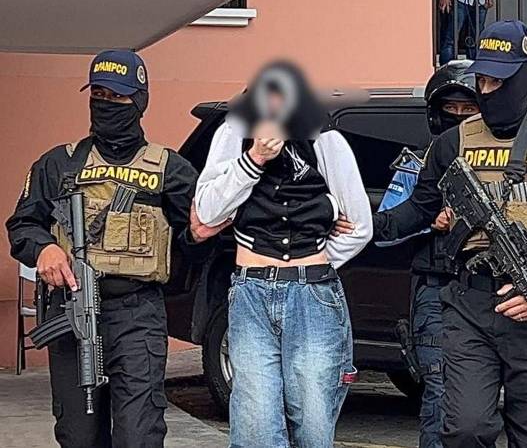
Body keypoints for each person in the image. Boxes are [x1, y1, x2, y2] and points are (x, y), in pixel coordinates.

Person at [373, 21, 527, 447]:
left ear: (523, 79)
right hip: (468, 306)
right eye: (482, 80)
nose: (487, 89)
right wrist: (363, 223)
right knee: (465, 428)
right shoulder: (452, 143)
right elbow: (417, 208)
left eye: (498, 81)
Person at [6, 50, 220, 448]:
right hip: (70, 309)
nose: (105, 104)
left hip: (137, 313)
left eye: (117, 96)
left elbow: (194, 249)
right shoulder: (59, 164)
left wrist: (199, 237)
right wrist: (44, 249)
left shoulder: (170, 170)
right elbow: (22, 224)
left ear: (139, 101)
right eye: (98, 94)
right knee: (78, 436)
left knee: (139, 434)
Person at [194, 61, 373, 448]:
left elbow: (360, 225)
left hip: (313, 292)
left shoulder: (325, 138)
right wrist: (253, 160)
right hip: (251, 289)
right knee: (255, 423)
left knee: (313, 421)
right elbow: (207, 212)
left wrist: (317, 257)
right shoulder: (233, 134)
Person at [374, 60, 479, 448]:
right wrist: (428, 220)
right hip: (437, 290)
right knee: (440, 391)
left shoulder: (498, 161)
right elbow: (385, 228)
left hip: (488, 290)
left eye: (468, 109)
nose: (459, 116)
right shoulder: (416, 164)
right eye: (451, 109)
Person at [439, 0, 495, 65]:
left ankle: (474, 68)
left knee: (475, 41)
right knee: (450, 39)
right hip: (460, 1)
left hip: (481, 3)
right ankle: (446, 68)